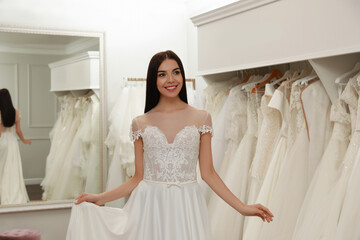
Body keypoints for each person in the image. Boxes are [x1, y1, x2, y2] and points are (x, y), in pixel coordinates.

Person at [66, 50, 273, 240]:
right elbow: (137, 178)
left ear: (182, 75)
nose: (171, 79)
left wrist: (243, 207)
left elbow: (208, 173)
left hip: (187, 205)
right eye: (162, 74)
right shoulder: (140, 122)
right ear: (153, 80)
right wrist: (100, 197)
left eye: (176, 72)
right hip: (149, 206)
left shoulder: (202, 118)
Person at [0, 88, 31, 205]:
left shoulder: (0, 112)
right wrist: (24, 140)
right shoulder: (16, 111)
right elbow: (18, 131)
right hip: (12, 142)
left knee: (2, 169)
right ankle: (13, 194)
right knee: (12, 168)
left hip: (2, 141)